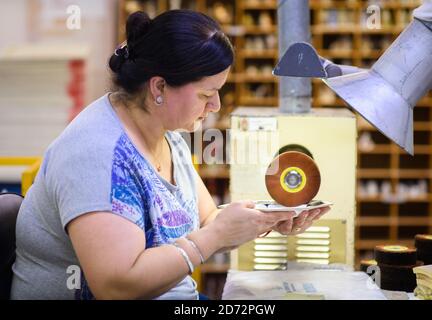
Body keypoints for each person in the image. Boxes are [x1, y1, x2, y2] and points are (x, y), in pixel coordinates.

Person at [10, 10, 330, 300]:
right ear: (159, 88)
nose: (216, 106)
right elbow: (117, 286)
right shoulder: (98, 155)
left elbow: (209, 220)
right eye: (206, 94)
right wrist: (214, 237)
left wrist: (266, 219)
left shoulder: (166, 133)